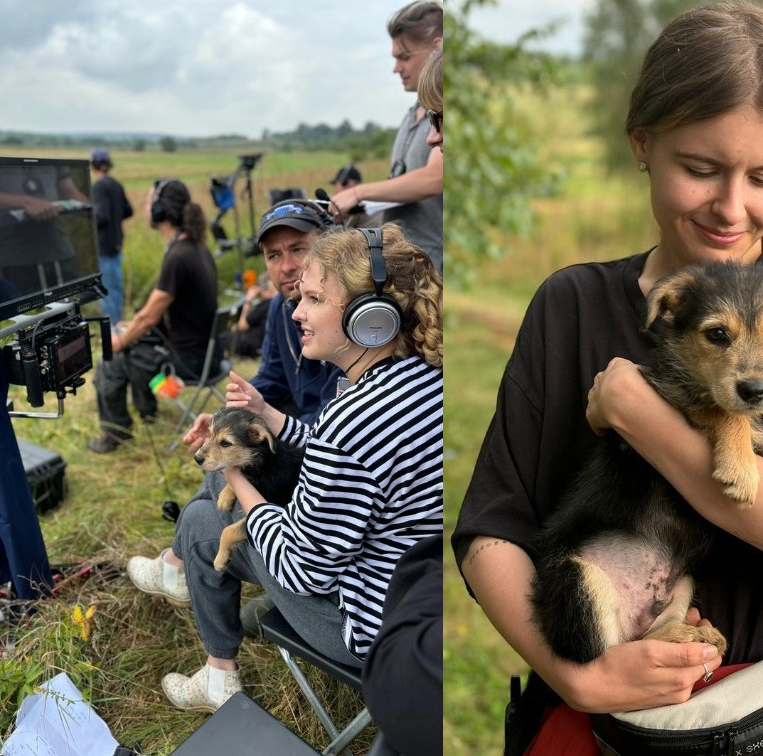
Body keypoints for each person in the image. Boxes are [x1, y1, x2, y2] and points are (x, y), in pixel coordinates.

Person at [452, 4, 763, 754]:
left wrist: (638, 413)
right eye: (701, 168)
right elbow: (494, 526)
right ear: (643, 144)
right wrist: (576, 675)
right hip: (604, 715)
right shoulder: (569, 303)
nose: (731, 207)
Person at [157, 222, 443, 713]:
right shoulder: (421, 377)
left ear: (367, 317)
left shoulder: (352, 420)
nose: (296, 311)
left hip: (372, 631)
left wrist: (236, 478)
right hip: (424, 600)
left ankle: (216, 673)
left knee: (204, 523)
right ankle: (191, 582)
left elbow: (301, 569)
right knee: (214, 503)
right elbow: (344, 461)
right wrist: (268, 417)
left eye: (313, 299)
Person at [126, 200, 344, 619]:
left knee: (231, 468)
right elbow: (272, 379)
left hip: (316, 459)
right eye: (273, 255)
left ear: (328, 247)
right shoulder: (283, 311)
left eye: (299, 249)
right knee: (222, 466)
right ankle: (187, 564)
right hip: (297, 440)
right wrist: (232, 416)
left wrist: (260, 427)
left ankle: (180, 563)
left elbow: (338, 435)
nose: (286, 266)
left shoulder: (345, 324)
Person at [360, 46, 443, 756]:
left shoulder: (365, 412)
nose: (437, 138)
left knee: (210, 526)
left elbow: (309, 564)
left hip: (379, 620)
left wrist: (240, 493)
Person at [88, 178, 217, 453]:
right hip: (205, 352)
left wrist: (120, 340)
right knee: (135, 340)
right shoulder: (195, 247)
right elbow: (155, 314)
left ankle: (115, 435)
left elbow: (148, 317)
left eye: (148, 202)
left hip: (187, 360)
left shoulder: (179, 256)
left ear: (161, 211)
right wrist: (132, 327)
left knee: (112, 360)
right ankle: (148, 413)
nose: (146, 208)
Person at [329, 1, 443, 272]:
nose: (396, 68)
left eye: (404, 57)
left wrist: (358, 192)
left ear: (438, 47)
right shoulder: (414, 112)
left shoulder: (443, 112)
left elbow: (435, 178)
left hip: (435, 268)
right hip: (405, 265)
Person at [0, 163, 91, 294]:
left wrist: (95, 210)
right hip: (20, 258)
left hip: (62, 252)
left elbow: (70, 192)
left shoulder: (46, 151)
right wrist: (26, 202)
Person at [89, 148, 134, 326]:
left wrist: (87, 218)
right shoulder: (116, 184)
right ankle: (119, 325)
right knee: (116, 288)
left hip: (104, 246)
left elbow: (102, 217)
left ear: (94, 165)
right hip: (117, 244)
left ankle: (113, 331)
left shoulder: (99, 186)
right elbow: (128, 211)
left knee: (106, 290)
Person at [233, 273, 275, 358]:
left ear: (266, 287)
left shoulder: (265, 304)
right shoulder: (278, 303)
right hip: (266, 345)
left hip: (254, 347)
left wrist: (248, 301)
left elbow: (242, 325)